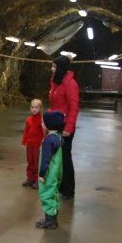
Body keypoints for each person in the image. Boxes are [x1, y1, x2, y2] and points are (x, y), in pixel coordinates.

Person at [48, 55, 79, 200]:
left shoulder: (71, 84)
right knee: (56, 159)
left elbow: (74, 108)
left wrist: (69, 128)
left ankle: (68, 190)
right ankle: (60, 186)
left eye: (54, 66)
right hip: (55, 125)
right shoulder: (55, 82)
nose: (51, 69)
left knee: (65, 158)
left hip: (65, 127)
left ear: (60, 68)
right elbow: (53, 105)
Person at [36, 111, 65, 229]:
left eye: (43, 121)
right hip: (57, 171)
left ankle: (50, 221)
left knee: (46, 193)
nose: (41, 122)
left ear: (50, 124)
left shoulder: (49, 141)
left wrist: (41, 174)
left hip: (49, 173)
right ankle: (53, 211)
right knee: (54, 192)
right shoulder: (58, 137)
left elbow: (45, 159)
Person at [21, 99, 44, 189]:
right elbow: (26, 132)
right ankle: (30, 179)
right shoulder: (28, 120)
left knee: (36, 163)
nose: (34, 109)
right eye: (33, 107)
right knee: (30, 161)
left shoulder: (41, 120)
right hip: (29, 145)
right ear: (30, 108)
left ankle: (36, 180)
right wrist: (23, 142)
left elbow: (43, 132)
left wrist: (43, 141)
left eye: (37, 107)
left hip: (38, 145)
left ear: (40, 109)